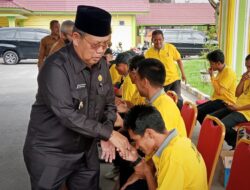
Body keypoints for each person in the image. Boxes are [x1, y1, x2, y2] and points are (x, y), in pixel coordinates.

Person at [23, 5, 130, 190]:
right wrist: (109, 134)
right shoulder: (55, 68)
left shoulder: (102, 66)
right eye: (96, 44)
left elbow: (109, 104)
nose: (101, 50)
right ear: (76, 38)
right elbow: (67, 114)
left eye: (106, 44)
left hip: (85, 150)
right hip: (50, 152)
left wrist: (105, 133)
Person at [120, 105, 208, 190]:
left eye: (136, 140)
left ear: (149, 133)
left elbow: (150, 169)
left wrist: (147, 171)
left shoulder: (172, 157)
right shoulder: (178, 140)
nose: (136, 146)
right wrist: (141, 164)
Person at [134, 58, 186, 137]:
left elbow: (157, 146)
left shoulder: (162, 109)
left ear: (145, 82)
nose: (135, 83)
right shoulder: (155, 101)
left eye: (136, 79)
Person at [211, 54, 250, 148]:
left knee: (221, 125)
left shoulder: (228, 71)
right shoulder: (247, 77)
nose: (248, 70)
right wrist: (242, 80)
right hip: (237, 107)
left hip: (246, 112)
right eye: (246, 67)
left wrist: (238, 108)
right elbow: (237, 94)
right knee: (212, 119)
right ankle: (238, 143)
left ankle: (238, 144)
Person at [144, 29, 186, 107]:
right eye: (155, 40)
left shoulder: (170, 48)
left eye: (160, 39)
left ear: (163, 39)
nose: (158, 42)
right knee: (161, 102)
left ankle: (178, 117)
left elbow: (179, 60)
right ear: (152, 41)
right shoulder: (148, 53)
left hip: (174, 79)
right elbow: (147, 68)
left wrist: (183, 74)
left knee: (178, 100)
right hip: (159, 82)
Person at [197, 49, 237, 124]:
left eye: (211, 63)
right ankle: (206, 131)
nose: (210, 66)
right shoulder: (220, 71)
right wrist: (212, 77)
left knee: (200, 112)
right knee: (197, 109)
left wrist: (212, 77)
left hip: (226, 102)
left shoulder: (228, 72)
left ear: (218, 63)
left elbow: (220, 91)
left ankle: (208, 131)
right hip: (218, 100)